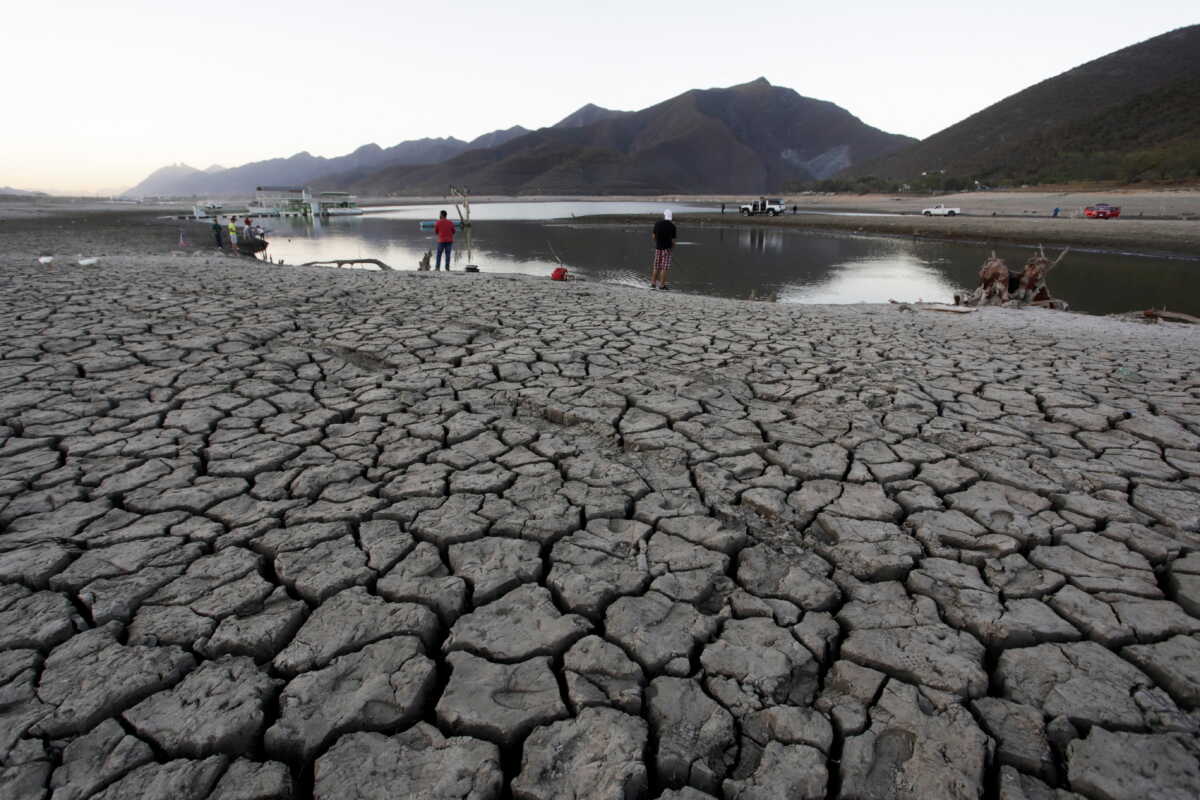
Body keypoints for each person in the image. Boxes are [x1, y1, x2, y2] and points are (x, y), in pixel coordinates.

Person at [650, 209, 676, 290]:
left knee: (656, 267)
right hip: (667, 250)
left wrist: (658, 242)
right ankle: (662, 285)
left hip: (658, 248)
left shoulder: (657, 224)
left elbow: (653, 237)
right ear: (671, 217)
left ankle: (653, 284)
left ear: (664, 215)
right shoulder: (672, 226)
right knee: (664, 268)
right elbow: (672, 241)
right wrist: (672, 247)